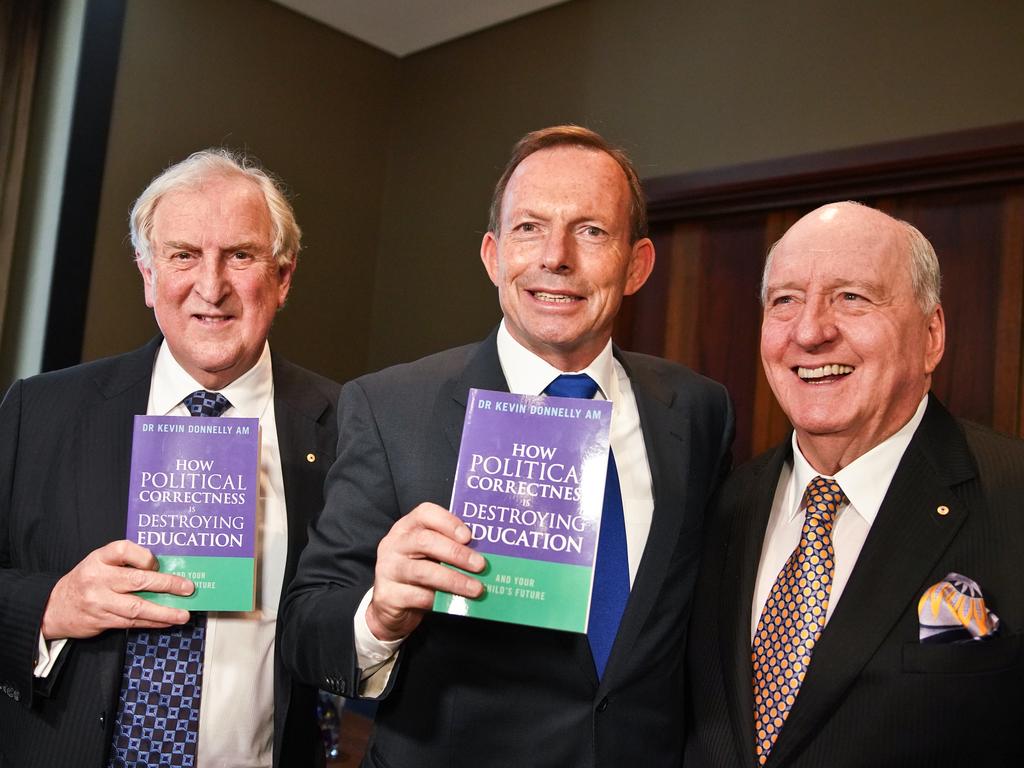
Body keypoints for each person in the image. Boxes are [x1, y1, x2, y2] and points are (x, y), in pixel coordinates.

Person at [280, 125, 734, 768]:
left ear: (637, 266)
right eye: (529, 227)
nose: (556, 256)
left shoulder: (696, 408)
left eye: (592, 231)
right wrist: (378, 616)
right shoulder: (390, 409)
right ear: (493, 255)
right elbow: (305, 629)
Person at [0, 149, 340, 767]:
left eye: (240, 255)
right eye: (183, 255)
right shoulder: (37, 411)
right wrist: (51, 606)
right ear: (149, 274)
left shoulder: (348, 427)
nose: (211, 287)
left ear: (283, 277)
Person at [684, 201, 1024, 766]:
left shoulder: (1012, 496)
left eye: (852, 297)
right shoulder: (717, 507)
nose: (812, 331)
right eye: (785, 301)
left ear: (931, 335)